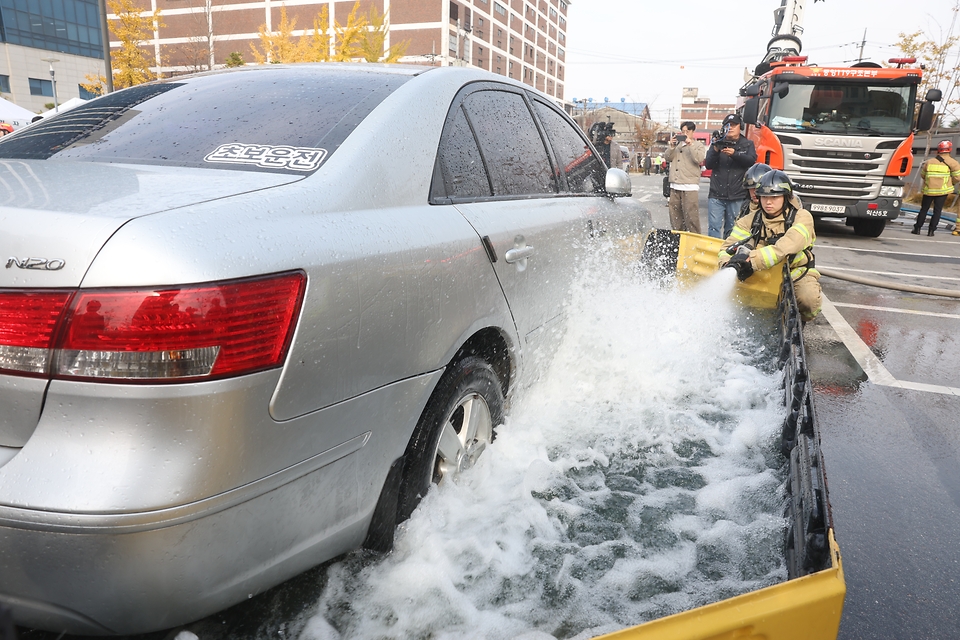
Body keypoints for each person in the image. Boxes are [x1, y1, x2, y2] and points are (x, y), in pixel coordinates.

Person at [719, 170, 821, 322]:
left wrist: (753, 261)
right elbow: (726, 248)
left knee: (808, 300)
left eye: (774, 197)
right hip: (760, 273)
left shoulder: (802, 217)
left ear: (786, 196)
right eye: (764, 197)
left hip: (795, 272)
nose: (768, 202)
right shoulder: (748, 221)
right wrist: (728, 264)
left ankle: (802, 320)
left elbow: (787, 245)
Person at [704, 114, 758, 239]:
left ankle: (727, 255)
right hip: (716, 194)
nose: (731, 128)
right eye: (728, 126)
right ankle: (713, 253)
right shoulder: (718, 142)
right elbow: (708, 164)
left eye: (734, 125)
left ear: (741, 127)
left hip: (737, 194)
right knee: (713, 227)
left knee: (732, 228)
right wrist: (715, 150)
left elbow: (750, 161)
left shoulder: (747, 144)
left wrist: (735, 154)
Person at [664, 121, 706, 233]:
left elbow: (699, 159)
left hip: (689, 186)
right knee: (675, 216)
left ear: (693, 132)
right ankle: (678, 238)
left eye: (687, 131)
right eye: (683, 131)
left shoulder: (698, 145)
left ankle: (694, 239)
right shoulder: (677, 145)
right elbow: (668, 157)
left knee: (691, 216)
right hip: (675, 185)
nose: (685, 133)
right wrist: (671, 146)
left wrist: (690, 144)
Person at [913, 140, 960, 236]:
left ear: (939, 150)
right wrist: (950, 183)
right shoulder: (954, 163)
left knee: (924, 209)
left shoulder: (929, 162)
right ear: (949, 150)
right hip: (942, 191)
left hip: (929, 190)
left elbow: (923, 175)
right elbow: (957, 178)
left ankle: (917, 228)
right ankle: (931, 231)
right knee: (937, 211)